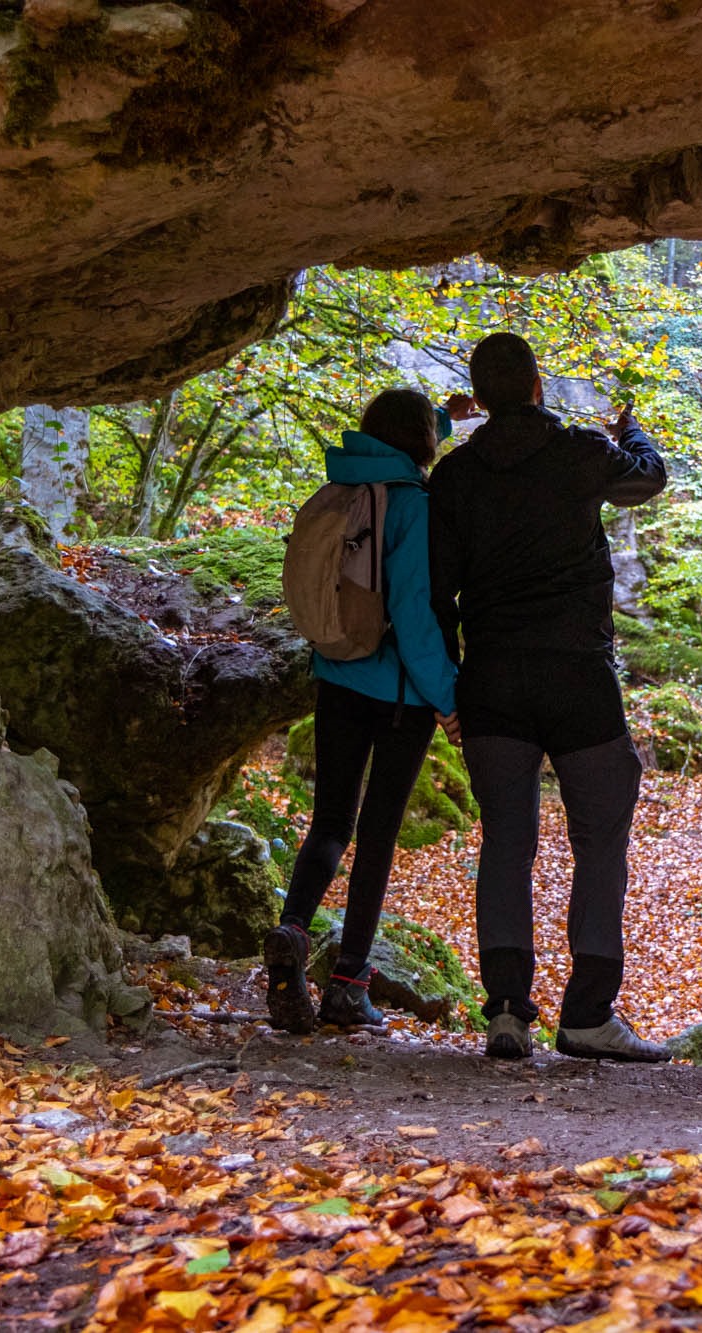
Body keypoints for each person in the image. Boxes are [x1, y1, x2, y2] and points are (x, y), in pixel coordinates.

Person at [428, 332, 670, 1062]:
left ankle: (506, 1011)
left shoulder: (455, 475)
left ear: (479, 397)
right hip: (577, 677)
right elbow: (648, 478)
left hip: (493, 677)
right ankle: (588, 1013)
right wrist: (628, 429)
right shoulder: (578, 451)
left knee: (506, 840)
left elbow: (437, 593)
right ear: (537, 387)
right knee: (601, 837)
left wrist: (447, 686)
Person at [264, 388, 473, 1033]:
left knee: (330, 822)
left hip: (337, 676)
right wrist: (449, 701)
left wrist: (446, 417)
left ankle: (293, 931)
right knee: (377, 835)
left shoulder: (345, 487)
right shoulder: (412, 505)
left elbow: (401, 441)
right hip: (400, 698)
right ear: (420, 443)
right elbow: (413, 616)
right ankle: (348, 987)